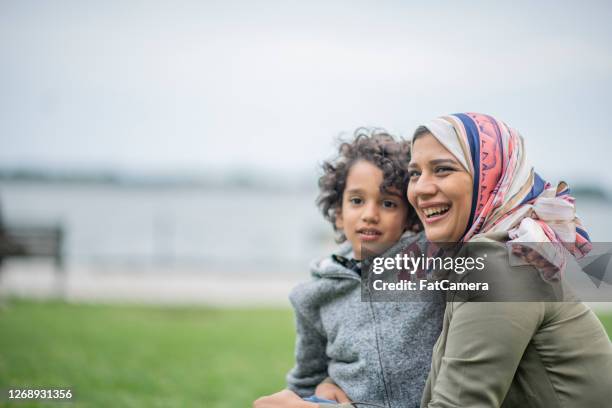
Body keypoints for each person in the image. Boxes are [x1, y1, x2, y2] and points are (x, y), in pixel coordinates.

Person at [407, 112, 612, 407]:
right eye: (415, 173)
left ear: (490, 179)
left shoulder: (502, 264)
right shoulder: (515, 252)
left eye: (442, 170)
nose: (421, 188)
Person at [253, 129, 445, 408]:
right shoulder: (314, 294)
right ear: (339, 214)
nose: (370, 214)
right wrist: (323, 386)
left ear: (409, 217)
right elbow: (307, 378)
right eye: (357, 201)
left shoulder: (429, 259)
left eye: (388, 203)